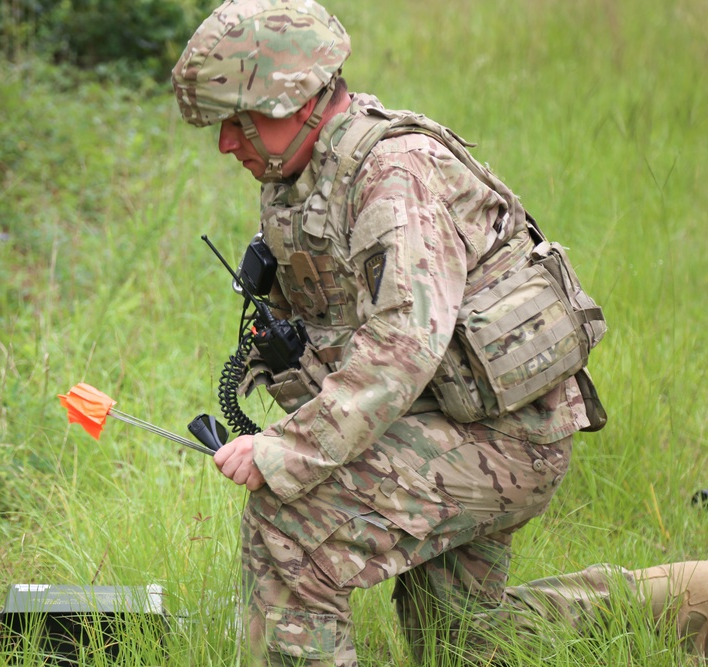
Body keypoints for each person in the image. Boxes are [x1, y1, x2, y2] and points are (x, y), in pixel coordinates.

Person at [170, 1, 708, 665]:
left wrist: (289, 450)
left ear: (290, 99)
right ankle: (693, 599)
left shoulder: (394, 177)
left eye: (236, 122)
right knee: (463, 642)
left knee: (292, 524)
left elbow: (404, 345)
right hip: (446, 421)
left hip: (505, 436)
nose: (226, 143)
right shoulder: (303, 178)